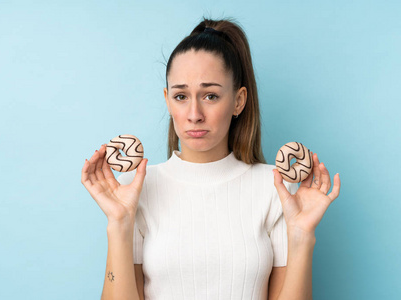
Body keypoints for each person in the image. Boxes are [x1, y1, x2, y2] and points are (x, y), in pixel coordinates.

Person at [81, 17, 341, 300]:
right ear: (168, 100)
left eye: (211, 96)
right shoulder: (134, 187)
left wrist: (302, 235)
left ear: (239, 101)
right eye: (181, 96)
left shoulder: (276, 188)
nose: (194, 114)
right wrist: (119, 222)